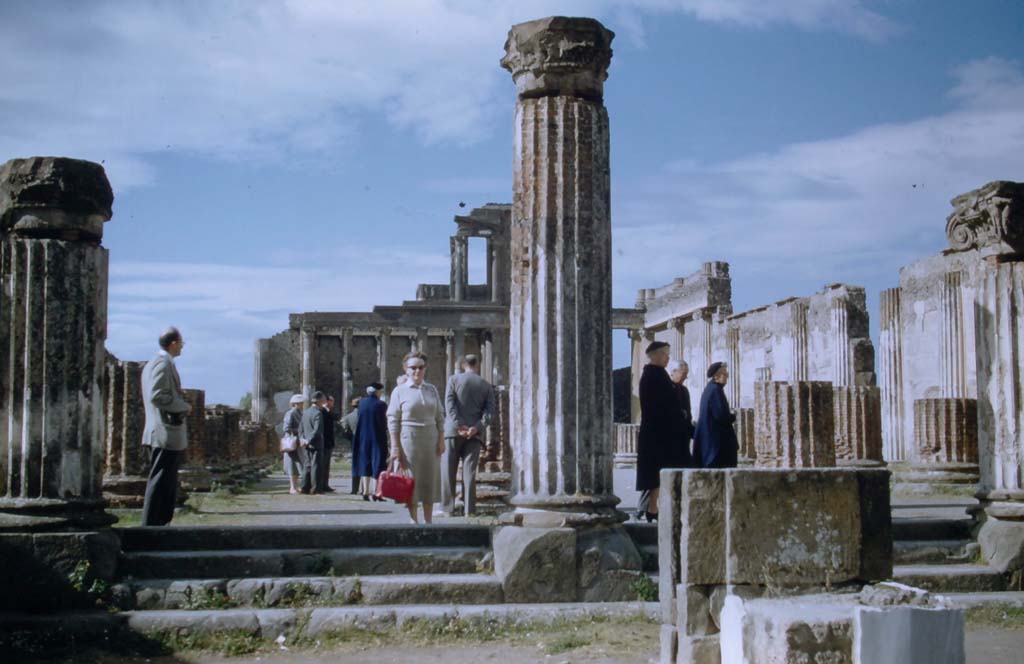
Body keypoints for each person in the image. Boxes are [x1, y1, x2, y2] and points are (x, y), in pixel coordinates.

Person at [140, 326, 192, 526]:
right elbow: (157, 396)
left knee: (166, 482)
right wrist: (184, 406)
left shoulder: (156, 363)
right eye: (181, 343)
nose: (182, 347)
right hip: (164, 433)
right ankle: (152, 526)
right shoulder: (162, 364)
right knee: (160, 481)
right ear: (173, 344)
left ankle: (160, 525)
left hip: (163, 432)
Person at [386, 351, 445, 524]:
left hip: (431, 439)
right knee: (411, 479)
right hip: (408, 440)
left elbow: (440, 416)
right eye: (413, 368)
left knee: (430, 478)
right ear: (406, 369)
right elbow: (393, 420)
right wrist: (395, 447)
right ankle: (414, 519)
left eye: (421, 367)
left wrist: (441, 439)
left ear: (426, 369)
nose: (417, 371)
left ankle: (428, 520)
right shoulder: (399, 391)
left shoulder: (432, 389)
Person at [635, 341, 689, 522]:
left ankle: (653, 509)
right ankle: (652, 509)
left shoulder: (657, 374)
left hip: (661, 432)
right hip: (658, 434)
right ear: (656, 355)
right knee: (658, 473)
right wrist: (678, 413)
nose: (667, 357)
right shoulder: (653, 376)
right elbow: (660, 405)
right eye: (666, 354)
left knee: (658, 473)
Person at [441, 354, 494, 517]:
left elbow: (449, 405)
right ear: (478, 365)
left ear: (464, 365)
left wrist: (458, 424)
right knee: (469, 472)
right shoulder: (486, 385)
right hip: (474, 434)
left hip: (453, 431)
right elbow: (489, 413)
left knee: (448, 470)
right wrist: (476, 427)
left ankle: (448, 509)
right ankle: (469, 509)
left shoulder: (453, 380)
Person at [693, 362, 739, 469]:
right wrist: (733, 416)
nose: (727, 375)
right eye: (724, 373)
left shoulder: (711, 389)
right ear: (716, 376)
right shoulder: (715, 391)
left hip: (713, 443)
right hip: (716, 446)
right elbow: (721, 416)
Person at [353, 383, 388, 501]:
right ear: (377, 392)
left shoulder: (362, 403)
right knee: (378, 463)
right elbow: (383, 423)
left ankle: (365, 491)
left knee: (365, 463)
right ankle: (377, 492)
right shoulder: (381, 405)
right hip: (377, 437)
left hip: (363, 437)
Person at [667, 360, 696, 467]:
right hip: (671, 440)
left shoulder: (684, 391)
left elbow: (688, 416)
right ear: (674, 372)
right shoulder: (665, 389)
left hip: (684, 439)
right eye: (684, 374)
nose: (686, 377)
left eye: (686, 374)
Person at [300, 391, 327, 494]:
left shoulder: (306, 412)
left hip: (306, 443)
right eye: (323, 399)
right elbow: (317, 430)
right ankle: (316, 488)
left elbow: (300, 428)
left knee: (307, 465)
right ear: (319, 401)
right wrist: (308, 440)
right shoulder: (318, 413)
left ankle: (304, 486)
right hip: (315, 443)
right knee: (316, 466)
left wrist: (303, 439)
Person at [282, 394, 306, 494]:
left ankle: (296, 486)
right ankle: (292, 487)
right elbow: (286, 428)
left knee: (298, 465)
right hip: (291, 442)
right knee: (292, 464)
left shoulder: (300, 412)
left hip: (297, 442)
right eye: (301, 403)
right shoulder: (290, 413)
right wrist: (298, 431)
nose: (302, 404)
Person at [340, 397, 361, 494]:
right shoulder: (364, 416)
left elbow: (344, 430)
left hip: (354, 442)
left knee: (355, 465)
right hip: (365, 442)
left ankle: (354, 488)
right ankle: (365, 488)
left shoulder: (348, 417)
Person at [319, 395, 337, 492]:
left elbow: (335, 417)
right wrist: (326, 409)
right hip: (324, 442)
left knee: (327, 466)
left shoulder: (329, 412)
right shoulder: (322, 411)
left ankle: (325, 484)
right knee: (322, 465)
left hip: (329, 442)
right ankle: (321, 484)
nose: (333, 403)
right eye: (331, 401)